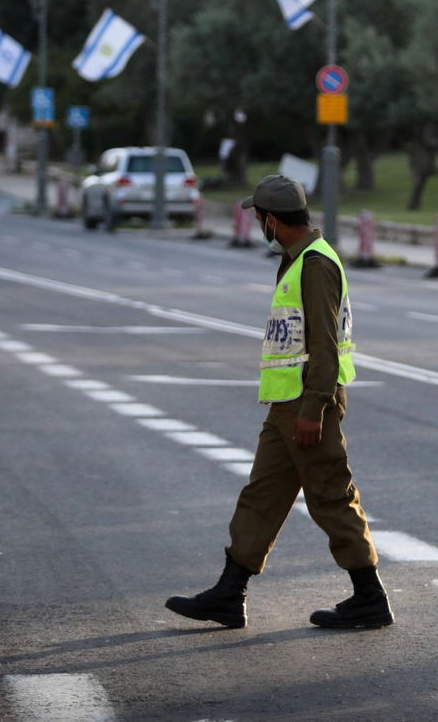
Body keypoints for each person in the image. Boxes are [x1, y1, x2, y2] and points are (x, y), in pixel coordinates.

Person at [165, 174, 393, 631]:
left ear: (272, 220)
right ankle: (230, 594)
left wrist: (313, 409)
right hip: (287, 404)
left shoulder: (314, 264)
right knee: (262, 496)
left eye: (259, 219)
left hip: (309, 405)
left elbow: (325, 346)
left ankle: (370, 597)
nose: (258, 227)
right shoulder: (297, 259)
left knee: (330, 495)